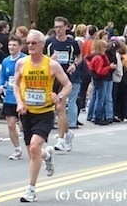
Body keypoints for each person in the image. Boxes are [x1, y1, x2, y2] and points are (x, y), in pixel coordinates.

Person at [14, 29, 72, 202]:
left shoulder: (52, 65)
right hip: (27, 112)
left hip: (45, 112)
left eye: (34, 43)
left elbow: (68, 85)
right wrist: (19, 102)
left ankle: (30, 190)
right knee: (34, 152)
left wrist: (59, 96)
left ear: (42, 45)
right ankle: (47, 155)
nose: (30, 46)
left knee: (33, 148)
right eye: (28, 43)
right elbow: (16, 86)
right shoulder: (22, 63)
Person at [44, 16, 82, 151]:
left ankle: (60, 140)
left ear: (66, 27)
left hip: (65, 79)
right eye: (56, 27)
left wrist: (74, 65)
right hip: (51, 79)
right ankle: (68, 133)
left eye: (60, 27)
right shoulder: (49, 42)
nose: (58, 30)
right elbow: (42, 59)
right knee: (56, 108)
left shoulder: (72, 43)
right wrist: (50, 59)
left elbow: (79, 56)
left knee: (60, 107)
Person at [0, 35, 27, 160]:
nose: (11, 47)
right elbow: (3, 76)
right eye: (10, 45)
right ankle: (17, 149)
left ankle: (33, 146)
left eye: (14, 45)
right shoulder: (6, 61)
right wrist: (0, 86)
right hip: (10, 96)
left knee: (26, 125)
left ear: (20, 46)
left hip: (23, 96)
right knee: (10, 124)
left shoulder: (26, 60)